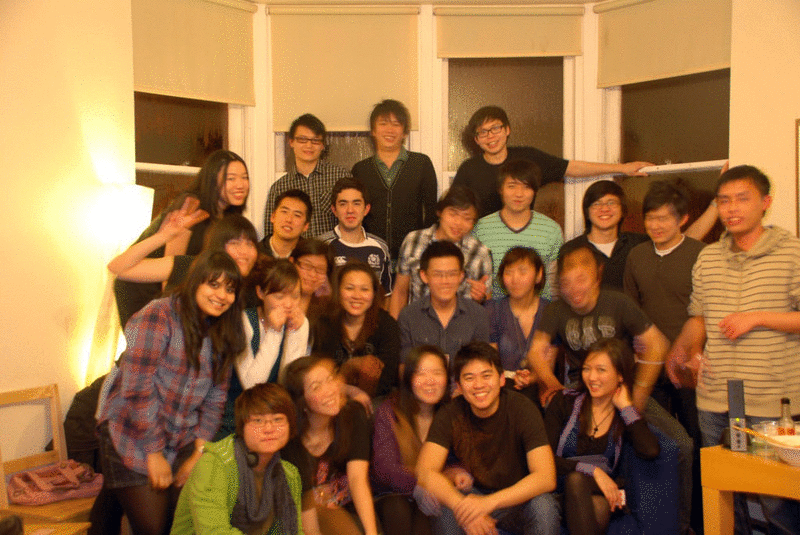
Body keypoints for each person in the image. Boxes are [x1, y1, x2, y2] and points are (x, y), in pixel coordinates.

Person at [668, 165, 800, 535]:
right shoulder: (708, 257)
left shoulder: (792, 252)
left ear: (765, 203)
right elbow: (699, 316)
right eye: (724, 200)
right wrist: (687, 349)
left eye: (742, 199)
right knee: (725, 499)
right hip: (715, 397)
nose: (732, 208)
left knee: (778, 505)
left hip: (772, 401)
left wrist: (758, 318)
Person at [528, 242, 695, 535]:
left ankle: (681, 528)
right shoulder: (556, 310)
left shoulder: (617, 302)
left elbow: (657, 344)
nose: (574, 289)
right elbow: (536, 353)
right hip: (579, 388)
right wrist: (553, 385)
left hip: (621, 388)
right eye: (566, 283)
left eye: (581, 279)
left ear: (598, 275)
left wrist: (635, 398)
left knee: (682, 445)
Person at [93, 251, 247, 535]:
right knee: (156, 528)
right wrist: (153, 453)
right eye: (213, 284)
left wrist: (198, 453)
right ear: (196, 281)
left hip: (182, 436)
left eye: (230, 289)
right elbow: (136, 388)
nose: (221, 295)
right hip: (132, 432)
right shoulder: (159, 314)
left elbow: (215, 400)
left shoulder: (224, 329)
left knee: (184, 522)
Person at [416, 341, 559, 535]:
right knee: (441, 501)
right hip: (472, 494)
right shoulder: (450, 414)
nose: (478, 385)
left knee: (544, 505)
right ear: (459, 386)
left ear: (501, 379)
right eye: (469, 378)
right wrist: (465, 509)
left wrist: (489, 503)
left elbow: (546, 477)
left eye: (486, 375)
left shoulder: (522, 409)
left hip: (516, 500)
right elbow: (425, 471)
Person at [114, 149, 250, 326]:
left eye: (244, 177)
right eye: (230, 178)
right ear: (212, 180)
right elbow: (172, 274)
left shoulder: (226, 216)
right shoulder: (190, 206)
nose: (240, 185)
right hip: (145, 291)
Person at [544, 338, 660, 535]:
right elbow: (544, 458)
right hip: (561, 487)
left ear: (620, 375)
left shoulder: (623, 414)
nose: (592, 377)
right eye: (587, 369)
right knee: (577, 481)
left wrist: (626, 407)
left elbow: (650, 450)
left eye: (601, 370)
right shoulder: (564, 402)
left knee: (597, 504)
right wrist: (592, 471)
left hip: (602, 492)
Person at [452, 106, 652, 218]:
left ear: (507, 130)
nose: (490, 136)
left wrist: (622, 168)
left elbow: (571, 167)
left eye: (495, 128)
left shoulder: (528, 157)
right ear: (476, 139)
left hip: (524, 236)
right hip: (484, 241)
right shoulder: (469, 169)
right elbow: (455, 208)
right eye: (483, 132)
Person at [170, 383, 303, 535]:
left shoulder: (289, 475)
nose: (269, 429)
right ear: (241, 426)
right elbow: (214, 531)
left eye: (278, 419)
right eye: (258, 420)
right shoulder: (214, 463)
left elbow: (294, 531)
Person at [282, 356, 379, 535]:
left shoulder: (353, 415)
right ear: (301, 402)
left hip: (348, 508)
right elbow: (307, 515)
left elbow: (357, 479)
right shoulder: (291, 443)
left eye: (330, 379)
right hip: (307, 518)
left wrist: (371, 533)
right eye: (316, 387)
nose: (330, 390)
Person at [216, 257, 310, 438]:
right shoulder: (243, 321)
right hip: (235, 414)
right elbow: (252, 385)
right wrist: (274, 332)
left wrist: (294, 333)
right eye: (279, 296)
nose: (289, 304)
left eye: (295, 296)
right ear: (260, 292)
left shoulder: (300, 323)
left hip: (274, 414)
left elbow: (289, 382)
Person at [371, 345, 459, 535]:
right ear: (409, 378)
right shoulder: (389, 412)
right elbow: (385, 469)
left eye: (437, 373)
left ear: (447, 378)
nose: (430, 381)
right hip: (391, 495)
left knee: (429, 516)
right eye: (421, 373)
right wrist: (419, 486)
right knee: (398, 509)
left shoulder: (451, 414)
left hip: (433, 496)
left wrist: (459, 473)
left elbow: (459, 459)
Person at [109, 208, 260, 307]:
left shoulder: (253, 291)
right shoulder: (189, 267)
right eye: (235, 243)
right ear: (218, 246)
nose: (244, 252)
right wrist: (164, 236)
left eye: (250, 244)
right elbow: (118, 268)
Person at [351, 99, 438, 260]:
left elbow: (431, 210)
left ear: (405, 132)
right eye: (383, 123)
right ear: (373, 130)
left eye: (396, 124)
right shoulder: (361, 169)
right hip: (370, 254)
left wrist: (425, 247)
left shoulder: (421, 163)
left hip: (413, 254)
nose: (389, 130)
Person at [390, 185, 492, 319]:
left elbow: (487, 305)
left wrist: (480, 298)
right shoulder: (414, 240)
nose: (458, 223)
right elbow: (400, 292)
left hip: (461, 328)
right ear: (440, 212)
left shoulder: (479, 253)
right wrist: (394, 329)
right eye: (453, 214)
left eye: (467, 218)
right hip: (416, 325)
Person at [474, 158, 563, 300]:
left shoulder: (551, 230)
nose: (519, 194)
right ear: (501, 189)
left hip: (541, 310)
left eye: (526, 187)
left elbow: (555, 284)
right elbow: (474, 278)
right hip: (493, 310)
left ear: (535, 191)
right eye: (512, 186)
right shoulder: (481, 228)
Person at [315, 260, 400, 398]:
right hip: (329, 395)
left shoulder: (387, 325)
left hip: (375, 399)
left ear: (374, 293)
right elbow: (318, 372)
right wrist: (349, 372)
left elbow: (387, 379)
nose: (357, 296)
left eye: (364, 289)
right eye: (349, 288)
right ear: (338, 290)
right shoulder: (324, 323)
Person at [397, 241, 490, 361]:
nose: (445, 281)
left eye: (452, 274)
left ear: (461, 276)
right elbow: (404, 366)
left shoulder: (478, 315)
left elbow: (481, 363)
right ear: (424, 276)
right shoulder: (408, 316)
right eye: (437, 274)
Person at [264, 113, 351, 238]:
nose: (309, 145)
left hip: (334, 249)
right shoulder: (279, 187)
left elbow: (355, 219)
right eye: (302, 140)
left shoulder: (341, 177)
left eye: (315, 140)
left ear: (322, 145)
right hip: (296, 250)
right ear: (291, 142)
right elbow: (270, 233)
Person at [562, 180, 648, 292]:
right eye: (597, 204)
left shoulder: (639, 244)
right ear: (587, 212)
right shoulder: (571, 250)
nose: (604, 209)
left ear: (622, 210)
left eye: (611, 203)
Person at [485, 247, 549, 393]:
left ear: (538, 275)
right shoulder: (492, 310)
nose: (515, 279)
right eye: (508, 272)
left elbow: (550, 364)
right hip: (502, 387)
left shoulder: (550, 311)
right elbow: (491, 362)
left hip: (541, 386)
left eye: (522, 272)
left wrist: (531, 378)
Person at [319, 177, 392, 295]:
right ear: (334, 210)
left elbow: (386, 296)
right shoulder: (322, 245)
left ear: (366, 209)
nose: (350, 210)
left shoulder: (380, 247)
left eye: (356, 203)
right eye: (343, 204)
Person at [261, 189, 313, 258]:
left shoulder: (312, 258)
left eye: (297, 215)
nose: (289, 220)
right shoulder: (255, 254)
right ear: (273, 217)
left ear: (306, 226)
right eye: (284, 212)